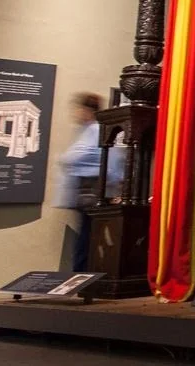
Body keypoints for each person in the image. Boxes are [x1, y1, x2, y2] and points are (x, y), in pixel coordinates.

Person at [52, 92, 124, 272]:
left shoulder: (95, 130)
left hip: (91, 190)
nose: (76, 114)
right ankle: (82, 272)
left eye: (79, 109)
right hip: (89, 189)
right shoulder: (89, 131)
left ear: (87, 111)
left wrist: (114, 187)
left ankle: (82, 274)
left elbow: (83, 158)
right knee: (87, 235)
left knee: (87, 235)